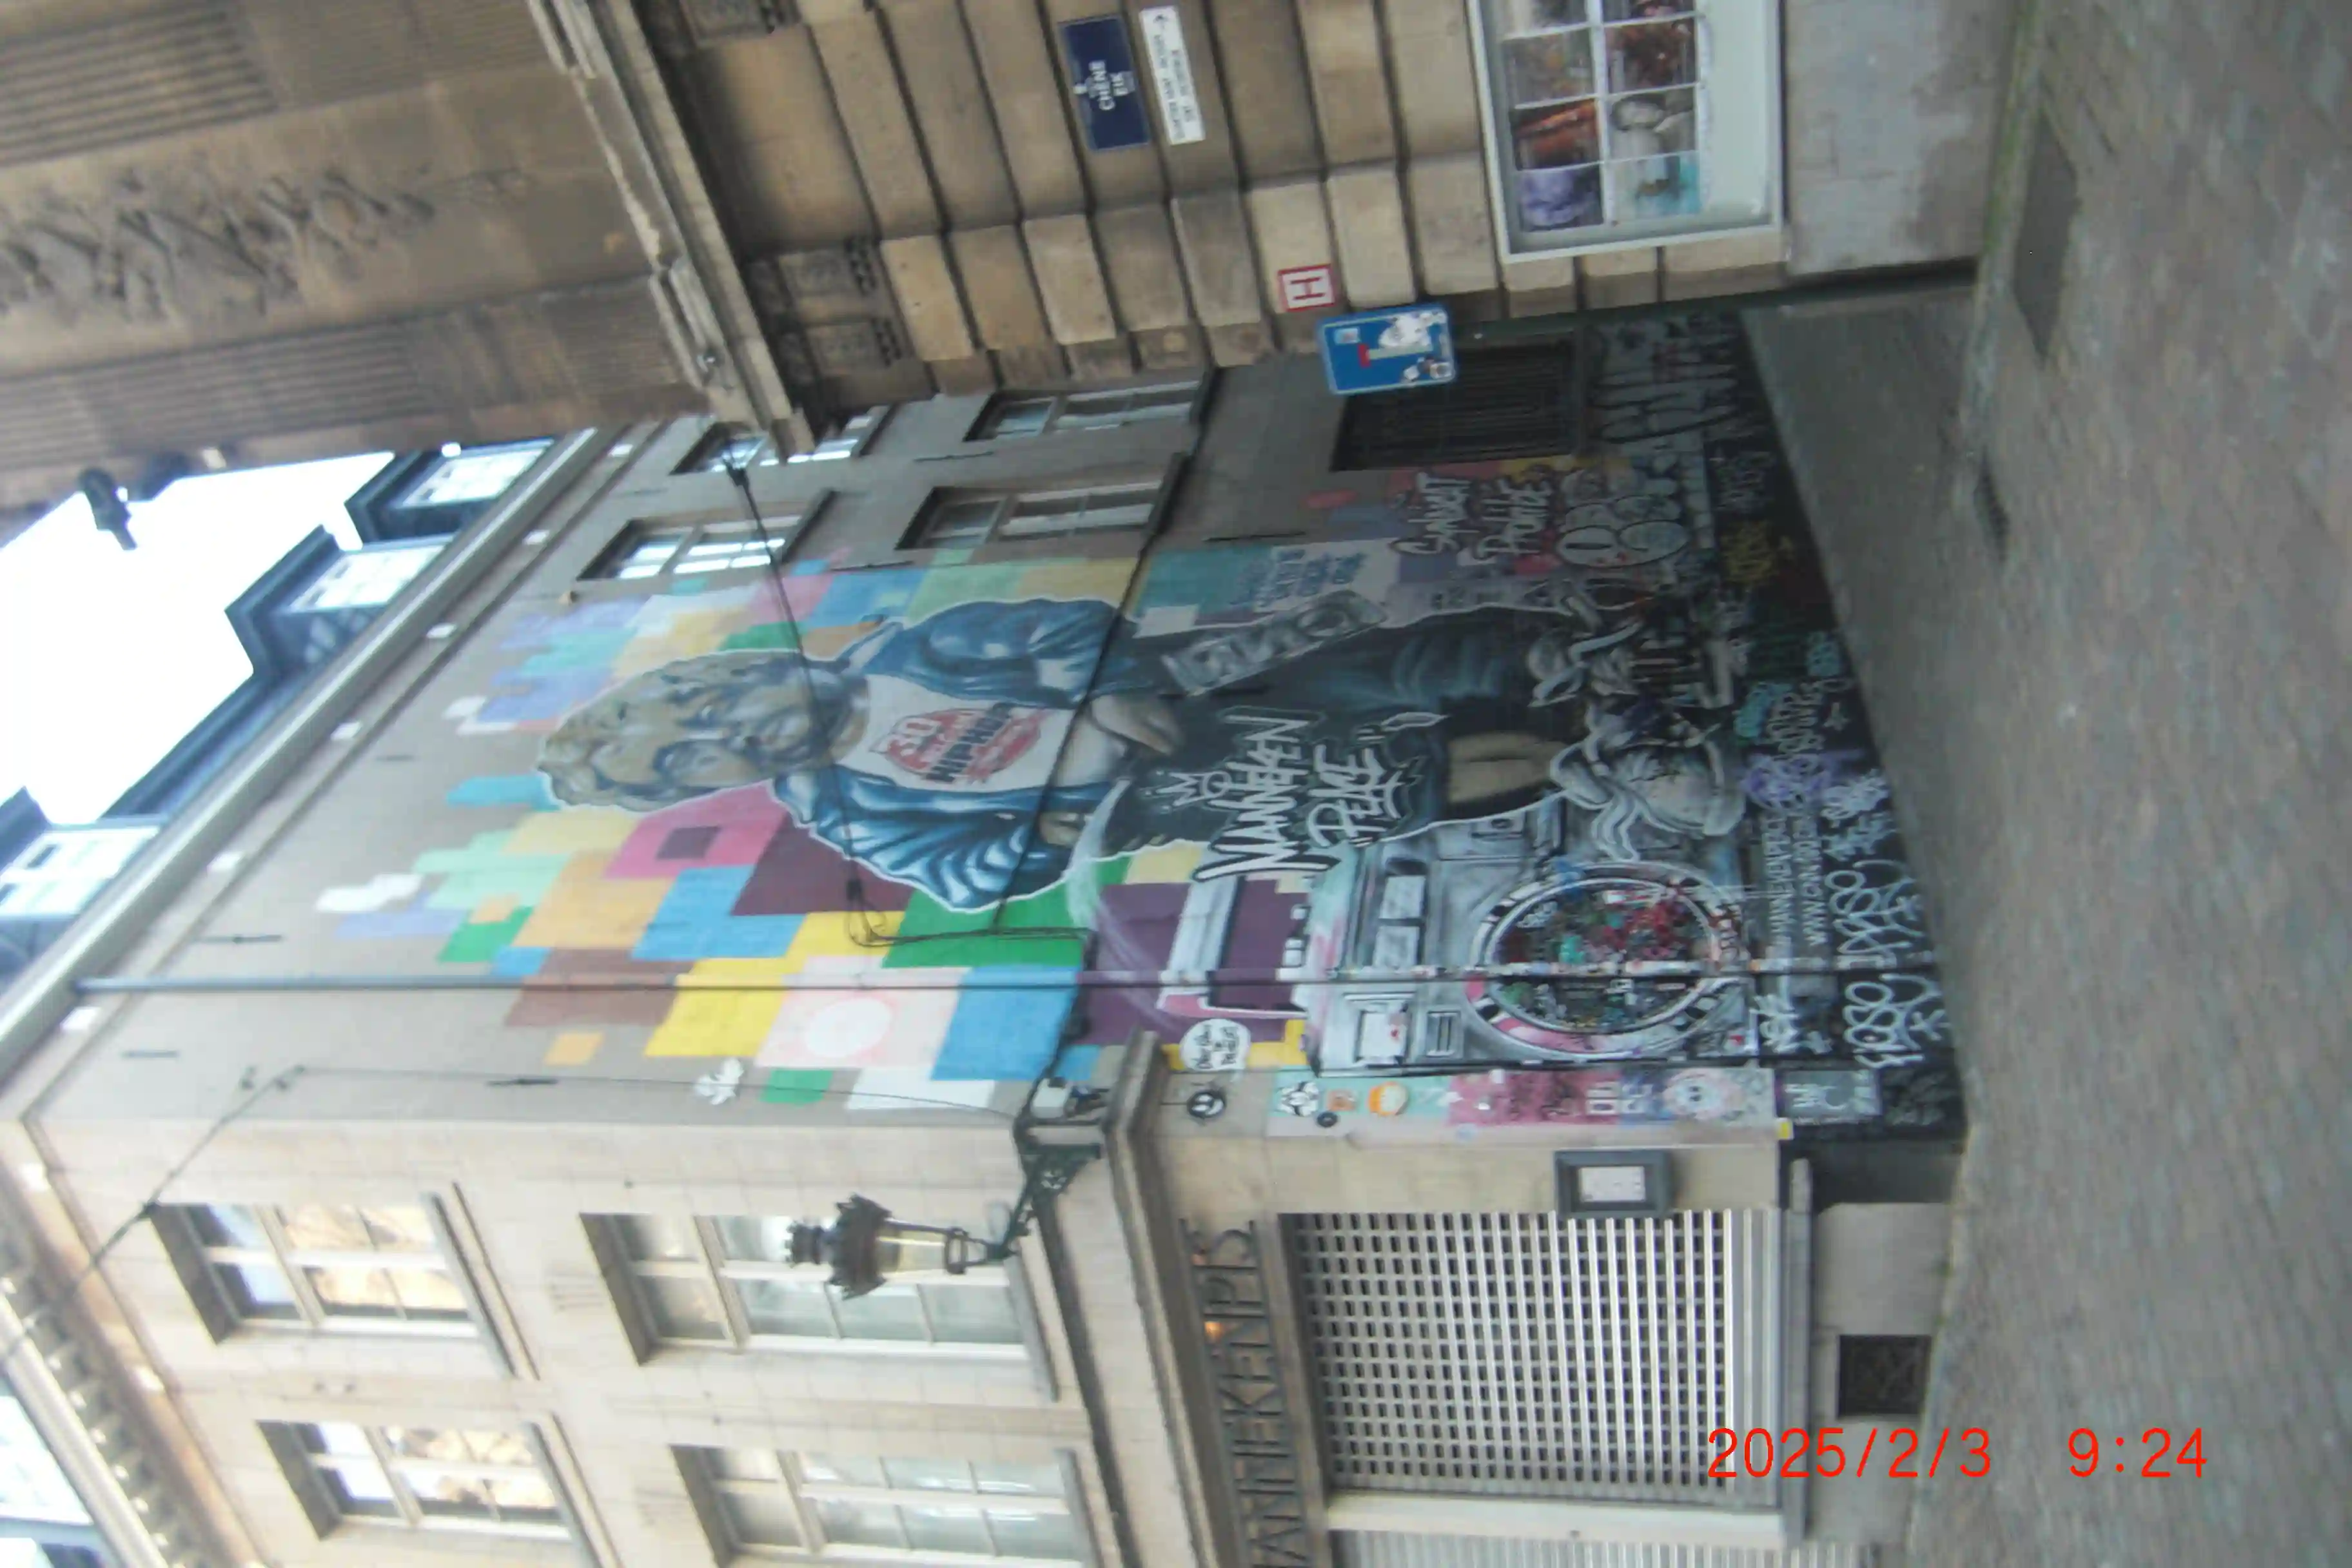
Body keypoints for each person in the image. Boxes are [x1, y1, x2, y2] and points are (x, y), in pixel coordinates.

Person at [537, 595, 1723, 910]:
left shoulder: (912, 645)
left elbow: (1061, 625)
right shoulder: (841, 809)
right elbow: (967, 878)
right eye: (693, 763)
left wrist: (1104, 689)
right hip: (1178, 796)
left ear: (730, 667)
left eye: (703, 703)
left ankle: (1569, 661)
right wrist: (1060, 813)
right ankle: (1591, 761)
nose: (727, 733)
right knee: (1391, 785)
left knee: (1372, 673)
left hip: (1191, 697)